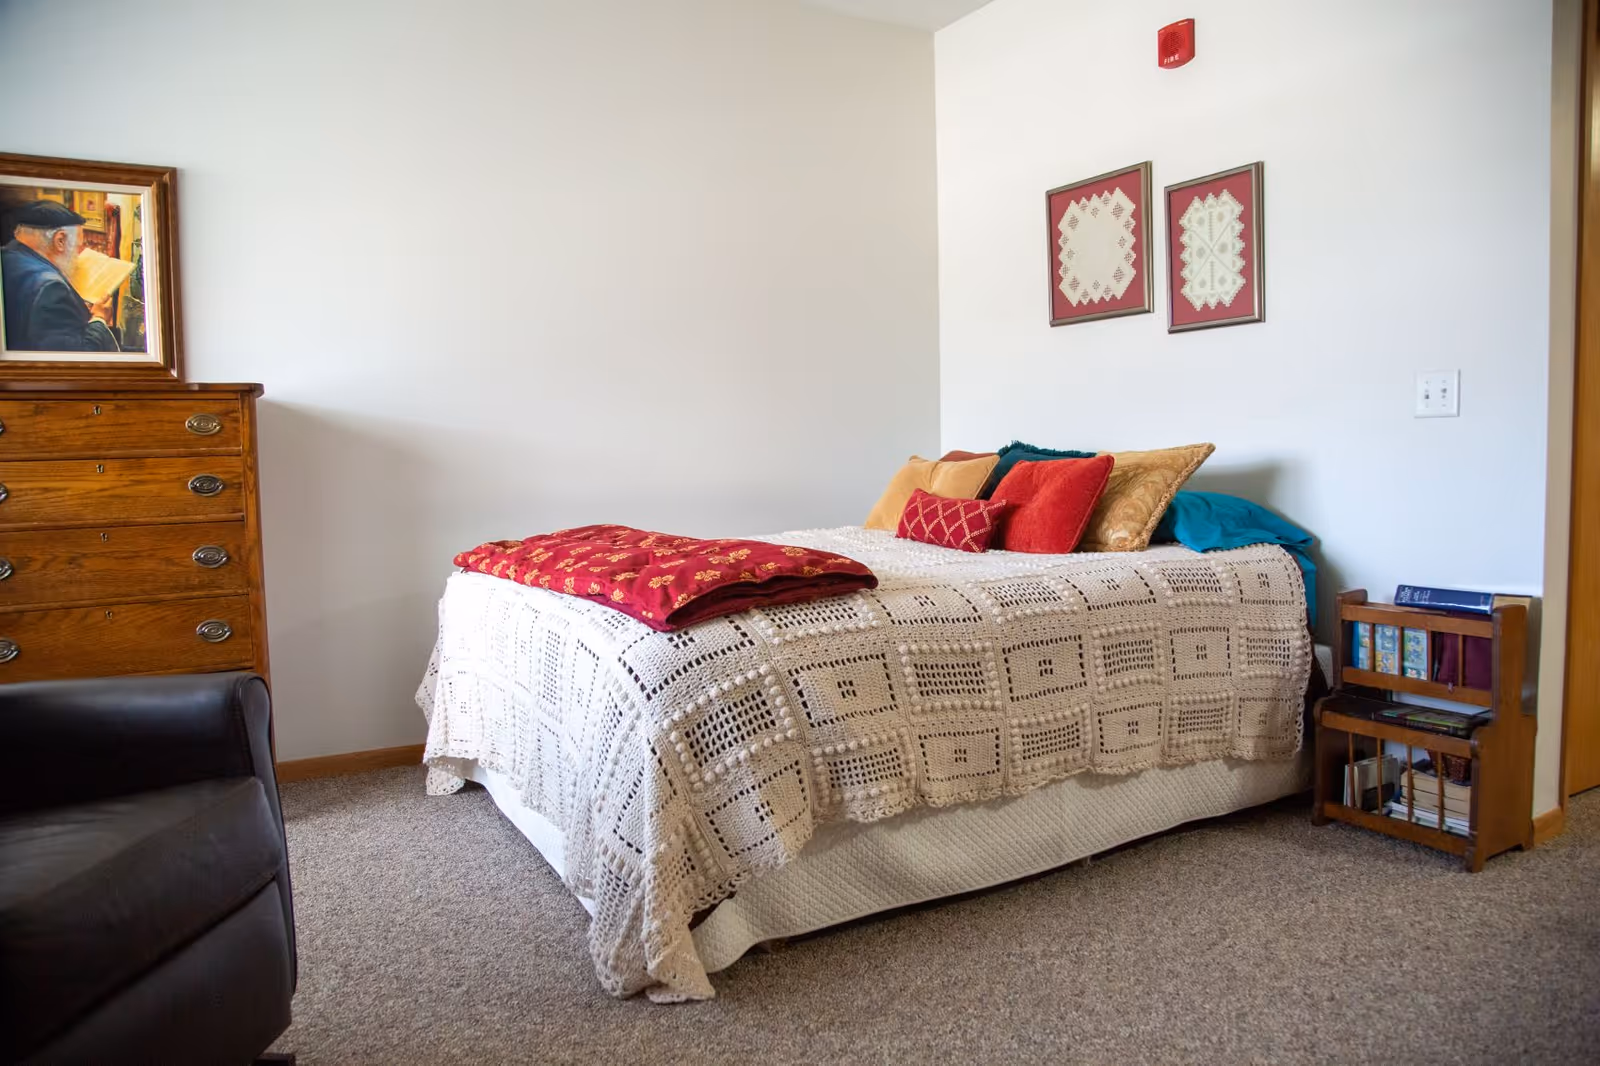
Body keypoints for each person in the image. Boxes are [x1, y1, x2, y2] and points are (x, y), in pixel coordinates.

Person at [1, 199, 120, 352]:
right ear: (60, 240)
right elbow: (76, 358)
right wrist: (99, 318)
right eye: (78, 247)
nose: (78, 255)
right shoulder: (51, 287)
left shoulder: (6, 256)